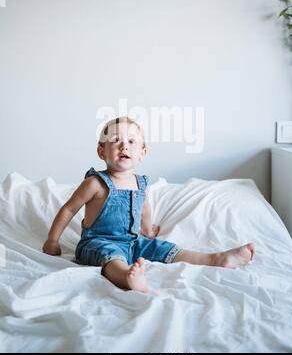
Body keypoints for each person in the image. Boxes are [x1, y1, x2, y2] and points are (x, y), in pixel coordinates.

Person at [43, 116, 256, 293]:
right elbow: (69, 209)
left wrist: (148, 229)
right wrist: (53, 241)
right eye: (115, 139)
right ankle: (126, 277)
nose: (124, 145)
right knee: (110, 257)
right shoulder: (95, 183)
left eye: (132, 142)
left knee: (165, 248)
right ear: (101, 152)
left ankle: (215, 259)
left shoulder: (141, 183)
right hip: (97, 243)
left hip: (134, 242)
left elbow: (144, 208)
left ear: (143, 153)